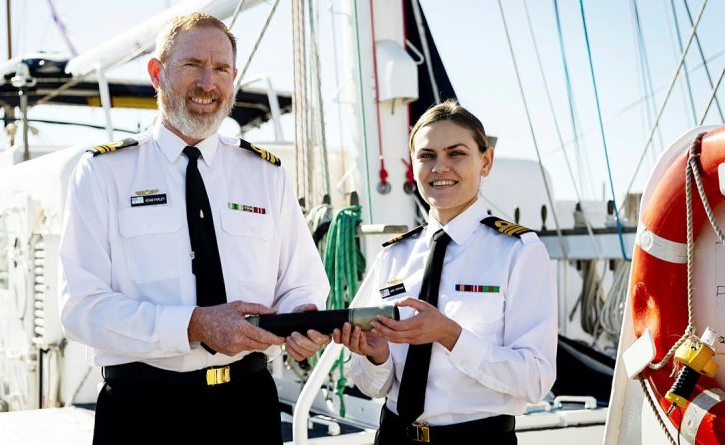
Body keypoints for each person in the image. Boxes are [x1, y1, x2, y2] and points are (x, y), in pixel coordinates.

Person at [58, 12, 331, 444]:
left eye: (221, 69)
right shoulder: (103, 173)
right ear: (156, 73)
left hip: (248, 406)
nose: (208, 83)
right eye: (193, 65)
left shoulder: (265, 174)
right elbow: (80, 309)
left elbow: (302, 282)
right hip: (142, 410)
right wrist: (194, 325)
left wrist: (300, 318)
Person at [334, 100, 557, 444]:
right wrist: (376, 356)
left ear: (486, 161)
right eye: (426, 156)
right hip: (393, 435)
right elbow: (370, 383)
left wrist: (450, 335)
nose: (440, 167)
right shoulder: (394, 254)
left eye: (456, 154)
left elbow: (536, 380)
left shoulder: (518, 252)